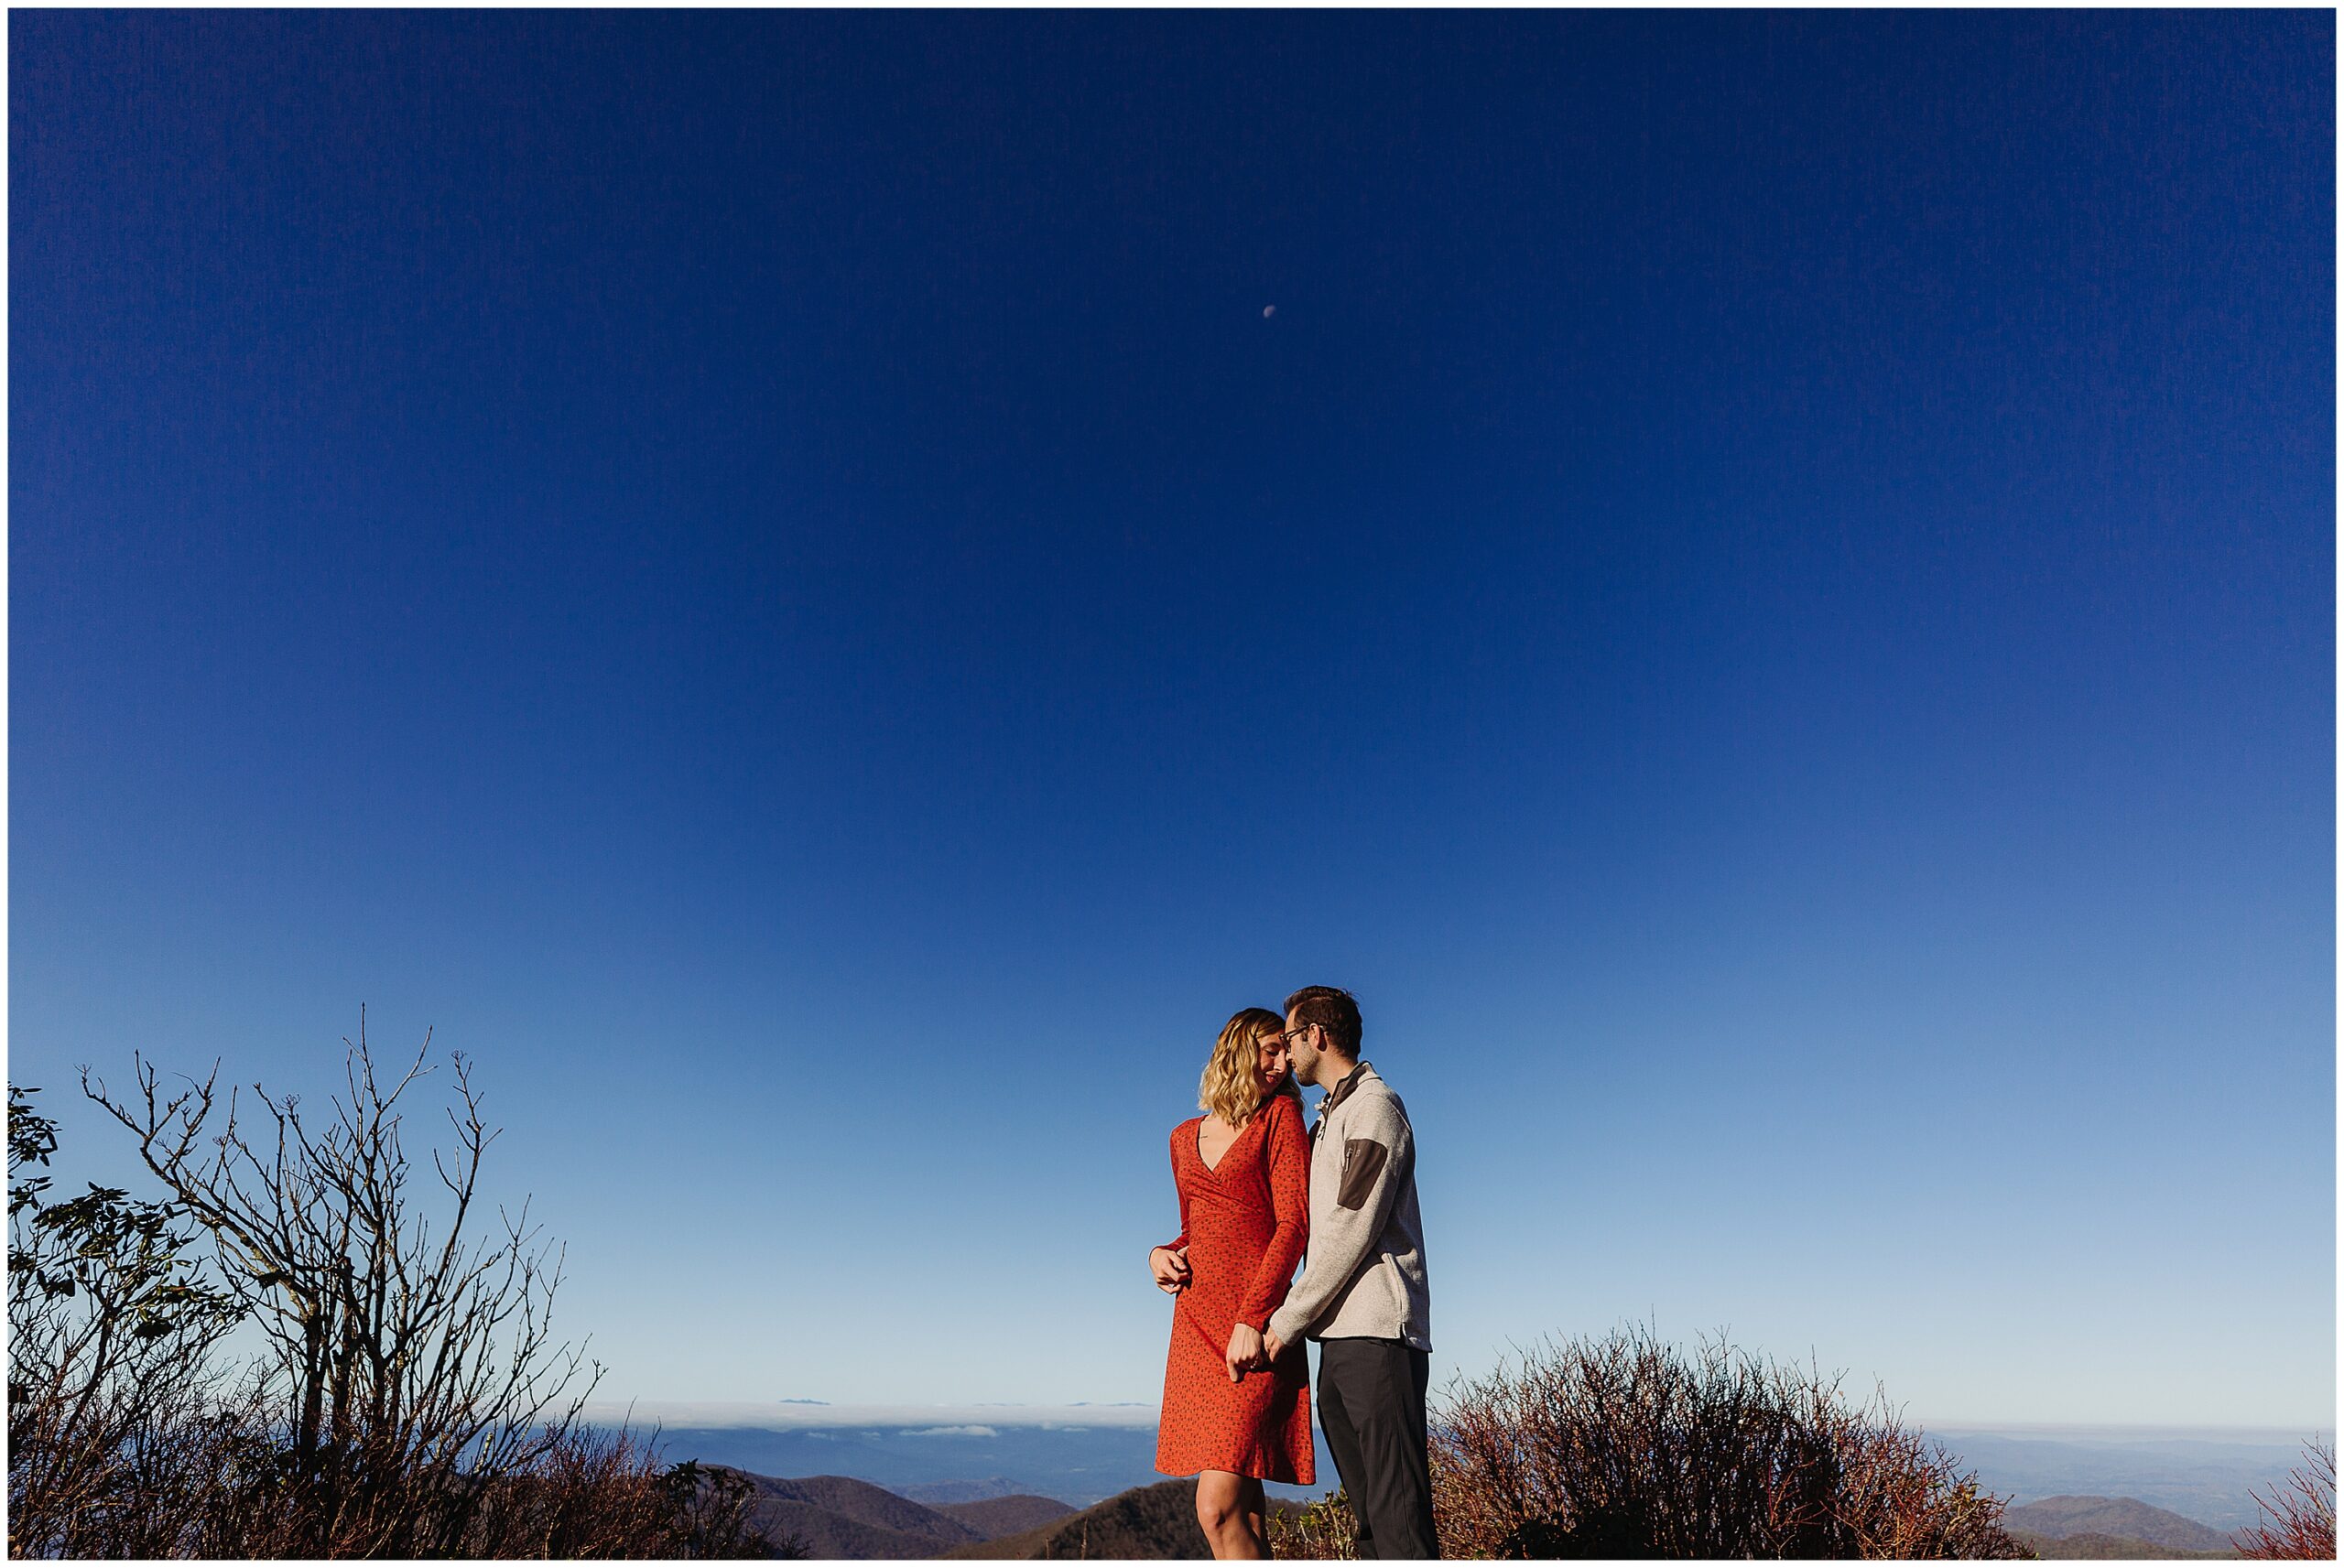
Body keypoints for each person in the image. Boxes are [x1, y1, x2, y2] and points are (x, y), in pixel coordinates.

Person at [1260, 986, 1437, 1560]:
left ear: (1315, 1035)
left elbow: (1348, 1228)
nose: (1283, 1056)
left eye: (1287, 1040)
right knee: (1371, 1521)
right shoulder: (1333, 1115)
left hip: (1379, 1336)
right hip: (1340, 1336)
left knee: (1398, 1515)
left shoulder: (1373, 1109)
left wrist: (1286, 1320)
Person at [1149, 1007, 1316, 1559]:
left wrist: (1253, 1317)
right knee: (1242, 1507)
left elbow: (1294, 1223)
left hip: (1255, 1326)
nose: (1282, 1061)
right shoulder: (1181, 1138)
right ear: (1237, 1051)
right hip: (1196, 1325)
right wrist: (1160, 1255)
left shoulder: (1281, 1118)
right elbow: (1195, 1230)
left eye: (1285, 1051)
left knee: (1214, 1508)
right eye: (1270, 1049)